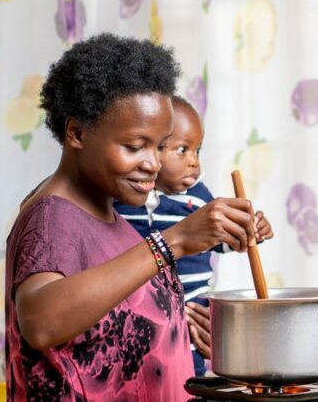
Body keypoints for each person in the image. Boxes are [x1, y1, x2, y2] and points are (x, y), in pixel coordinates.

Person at [4, 33, 258, 402]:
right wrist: (176, 243)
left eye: (161, 145)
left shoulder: (113, 216)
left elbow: (114, 317)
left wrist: (183, 326)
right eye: (135, 145)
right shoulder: (53, 219)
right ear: (76, 132)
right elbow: (44, 319)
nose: (152, 163)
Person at [114, 97, 273, 375]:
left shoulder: (199, 199)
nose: (194, 163)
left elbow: (226, 239)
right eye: (182, 150)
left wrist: (252, 229)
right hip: (137, 326)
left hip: (193, 324)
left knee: (189, 380)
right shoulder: (122, 201)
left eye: (197, 151)